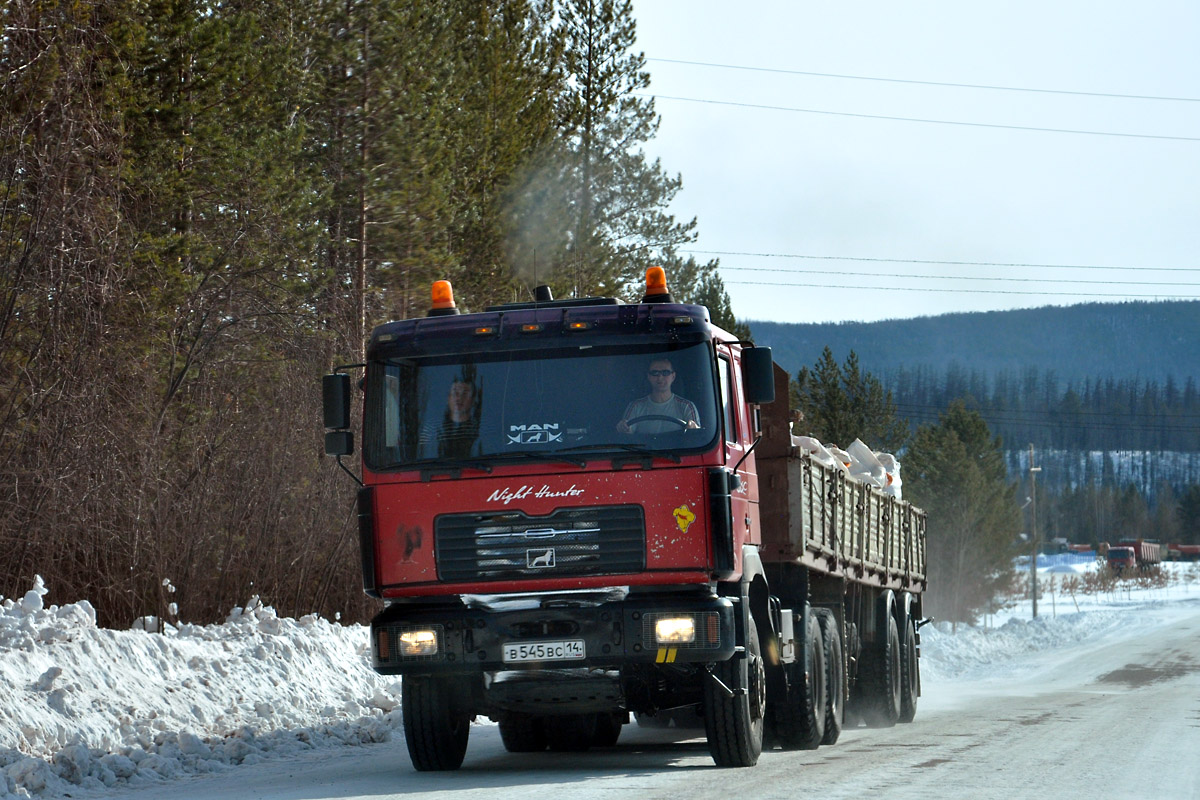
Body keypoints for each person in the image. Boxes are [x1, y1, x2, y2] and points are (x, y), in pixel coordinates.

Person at [617, 357, 700, 434]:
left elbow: (697, 438)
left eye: (665, 372)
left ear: (673, 376)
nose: (660, 377)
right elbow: (626, 433)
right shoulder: (635, 406)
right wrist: (623, 427)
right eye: (655, 373)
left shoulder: (687, 407)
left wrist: (693, 428)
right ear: (648, 376)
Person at [421, 378, 480, 458]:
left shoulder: (483, 428)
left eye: (465, 394)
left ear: (473, 400)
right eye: (455, 393)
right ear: (448, 398)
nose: (459, 398)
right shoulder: (432, 429)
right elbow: (425, 457)